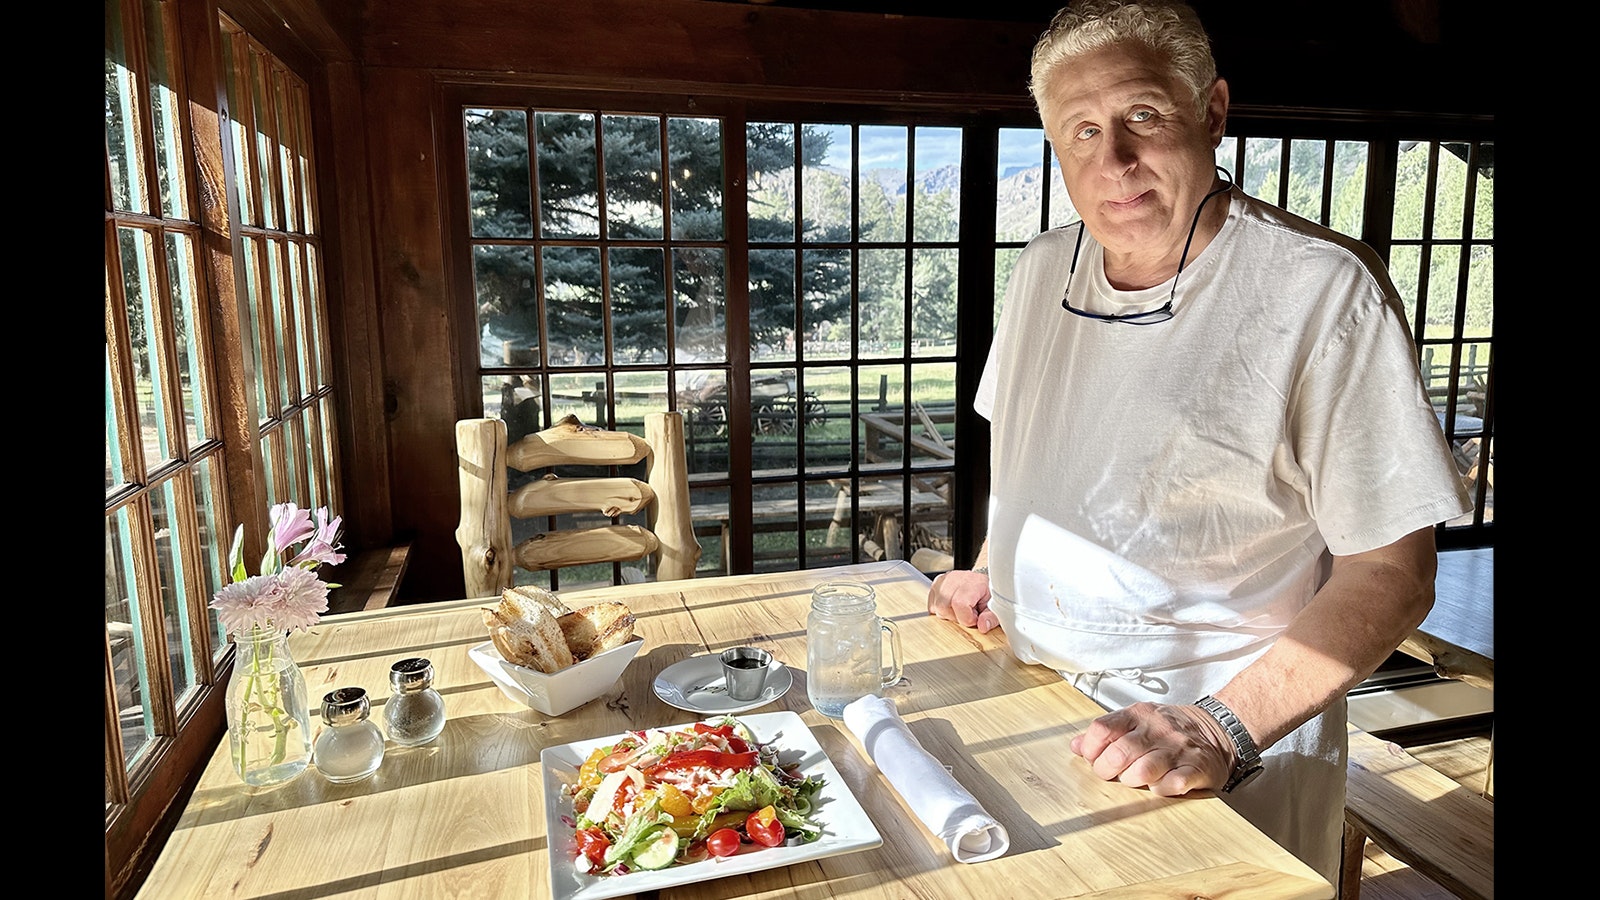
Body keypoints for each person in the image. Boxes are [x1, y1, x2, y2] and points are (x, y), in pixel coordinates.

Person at [926, 0, 1472, 884]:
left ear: (1212, 111)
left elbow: (1394, 573)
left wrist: (1220, 725)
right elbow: (1029, 447)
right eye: (1083, 131)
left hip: (1209, 736)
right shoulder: (1039, 269)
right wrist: (993, 563)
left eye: (1143, 115)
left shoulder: (1321, 291)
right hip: (1027, 689)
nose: (1115, 161)